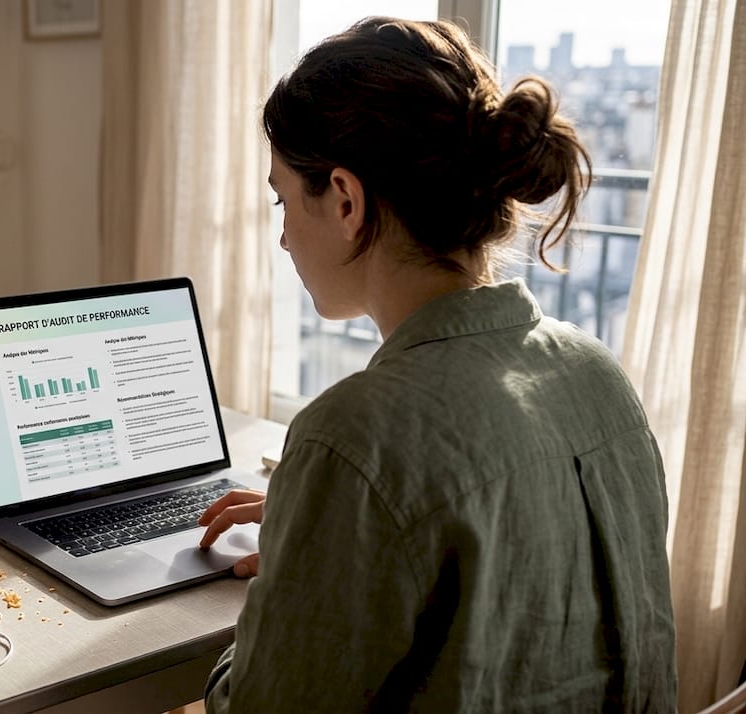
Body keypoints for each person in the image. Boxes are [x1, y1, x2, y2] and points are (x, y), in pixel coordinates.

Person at [199, 16, 676, 712]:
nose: (280, 236)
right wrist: (326, 534)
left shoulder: (353, 436)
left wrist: (303, 578)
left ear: (345, 199)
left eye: (282, 198)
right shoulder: (596, 375)